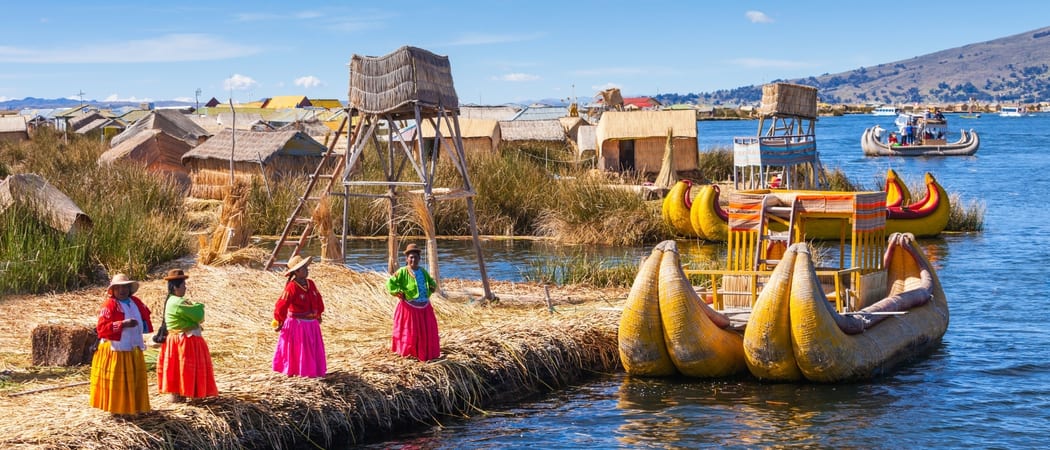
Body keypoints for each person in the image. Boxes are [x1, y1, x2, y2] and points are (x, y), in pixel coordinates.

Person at [90, 273, 153, 415]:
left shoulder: (136, 302)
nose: (122, 291)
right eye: (118, 288)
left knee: (133, 379)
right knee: (119, 380)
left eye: (125, 287)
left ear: (130, 288)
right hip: (116, 349)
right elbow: (101, 328)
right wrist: (122, 324)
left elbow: (145, 319)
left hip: (133, 347)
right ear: (113, 290)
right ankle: (117, 409)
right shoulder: (109, 305)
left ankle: (133, 407)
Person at [156, 269, 218, 402]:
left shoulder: (172, 301)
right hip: (183, 341)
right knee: (185, 369)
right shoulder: (178, 302)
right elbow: (199, 315)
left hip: (178, 339)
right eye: (184, 285)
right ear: (176, 287)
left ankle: (180, 395)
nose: (185, 287)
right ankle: (188, 394)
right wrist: (198, 306)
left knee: (178, 369)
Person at [272, 255, 326, 377]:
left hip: (312, 324)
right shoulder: (292, 286)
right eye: (304, 268)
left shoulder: (310, 283)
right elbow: (282, 304)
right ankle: (298, 371)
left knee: (312, 349)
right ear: (296, 271)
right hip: (298, 325)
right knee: (300, 349)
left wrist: (318, 314)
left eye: (306, 267)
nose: (307, 270)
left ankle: (313, 371)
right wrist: (279, 321)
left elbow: (318, 299)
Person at [387, 243, 441, 362]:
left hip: (424, 307)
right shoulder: (402, 272)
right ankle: (410, 353)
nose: (413, 259)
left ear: (419, 259)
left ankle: (425, 353)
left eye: (416, 257)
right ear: (407, 259)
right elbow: (390, 283)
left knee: (425, 332)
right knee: (411, 331)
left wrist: (431, 288)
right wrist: (398, 292)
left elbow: (432, 282)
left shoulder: (423, 271)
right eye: (411, 257)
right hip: (409, 308)